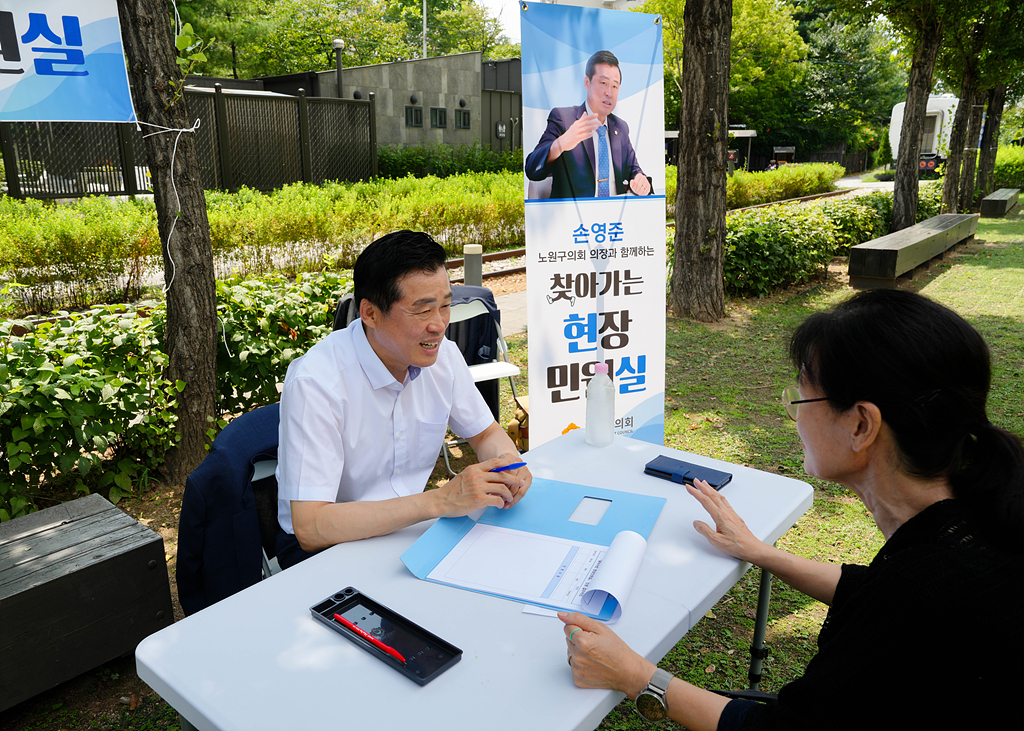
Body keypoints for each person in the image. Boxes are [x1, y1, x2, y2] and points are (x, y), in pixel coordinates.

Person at [559, 289, 1023, 730]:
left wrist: (635, 676)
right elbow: (873, 590)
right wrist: (761, 552)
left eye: (802, 396)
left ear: (861, 424)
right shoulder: (978, 518)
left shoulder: (919, 595)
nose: (795, 413)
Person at [275, 230, 531, 568]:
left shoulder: (444, 357)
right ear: (370, 314)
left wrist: (508, 467)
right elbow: (310, 526)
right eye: (422, 311)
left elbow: (486, 434)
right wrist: (439, 501)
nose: (439, 326)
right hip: (330, 548)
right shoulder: (318, 383)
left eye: (445, 306)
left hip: (411, 530)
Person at [525, 50, 651, 200]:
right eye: (603, 83)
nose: (609, 93)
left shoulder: (620, 127)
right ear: (587, 82)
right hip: (576, 219)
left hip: (615, 218)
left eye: (615, 86)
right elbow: (532, 169)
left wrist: (641, 181)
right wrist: (560, 144)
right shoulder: (564, 119)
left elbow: (634, 171)